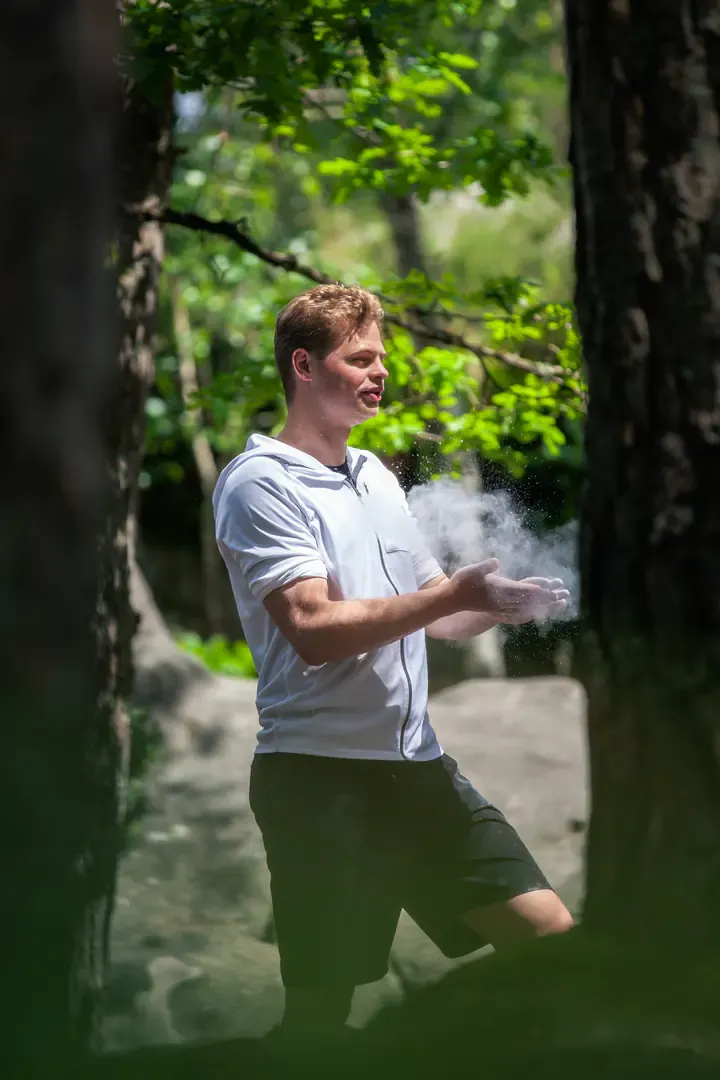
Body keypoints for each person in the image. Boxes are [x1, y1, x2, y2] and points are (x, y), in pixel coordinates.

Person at [212, 284, 573, 1039]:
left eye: (382, 359)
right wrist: (448, 599)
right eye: (360, 359)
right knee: (320, 1022)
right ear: (304, 366)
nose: (380, 373)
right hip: (320, 782)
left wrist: (497, 602)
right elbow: (312, 627)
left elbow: (439, 609)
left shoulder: (374, 475)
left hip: (418, 770)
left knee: (550, 936)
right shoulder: (260, 483)